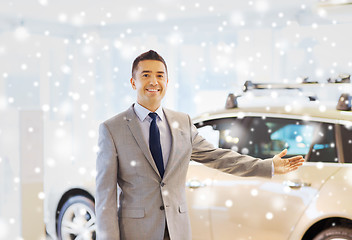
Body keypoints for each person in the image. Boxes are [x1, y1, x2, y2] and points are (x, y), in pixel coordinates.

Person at [95, 50, 304, 240]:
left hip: (177, 230)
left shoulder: (182, 122)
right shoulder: (112, 129)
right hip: (136, 233)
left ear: (167, 82)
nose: (154, 81)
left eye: (160, 75)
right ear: (133, 82)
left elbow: (218, 157)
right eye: (146, 75)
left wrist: (267, 166)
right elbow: (105, 198)